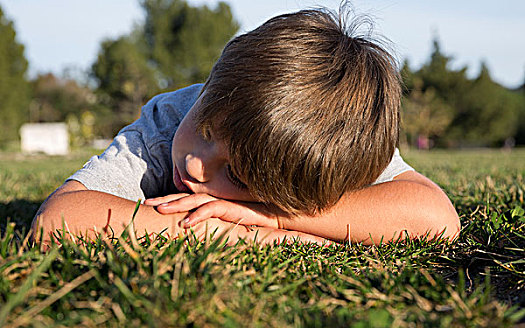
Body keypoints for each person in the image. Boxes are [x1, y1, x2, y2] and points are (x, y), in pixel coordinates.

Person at [31, 8, 460, 249]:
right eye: (206, 127)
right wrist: (231, 233)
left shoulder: (331, 140)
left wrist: (272, 217)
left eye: (235, 174)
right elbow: (55, 221)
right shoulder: (169, 120)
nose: (196, 166)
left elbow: (436, 218)